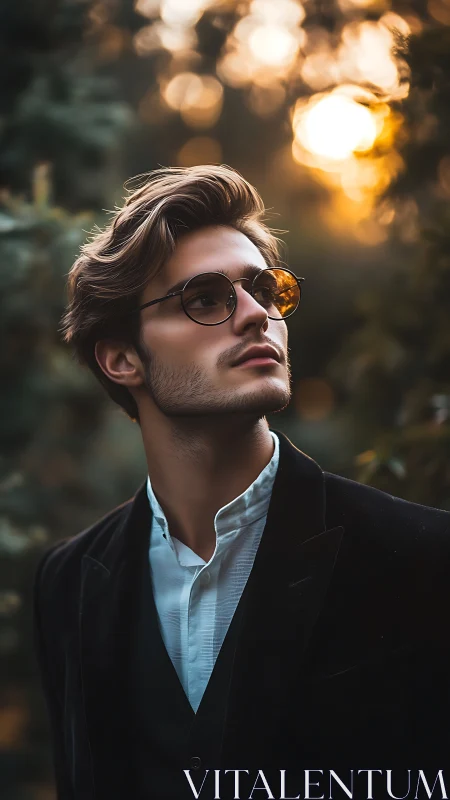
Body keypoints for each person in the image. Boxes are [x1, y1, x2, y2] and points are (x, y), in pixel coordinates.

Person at [33, 165, 450, 800]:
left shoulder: (422, 554)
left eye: (266, 290)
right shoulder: (67, 583)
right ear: (121, 359)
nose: (258, 316)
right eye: (205, 299)